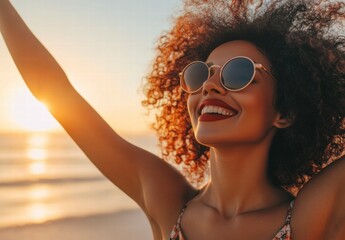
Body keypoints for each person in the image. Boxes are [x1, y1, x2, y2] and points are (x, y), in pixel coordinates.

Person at [1, 0, 344, 239]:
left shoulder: (312, 217)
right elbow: (57, 93)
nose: (210, 84)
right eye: (200, 75)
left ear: (285, 112)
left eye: (238, 73)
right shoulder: (167, 201)